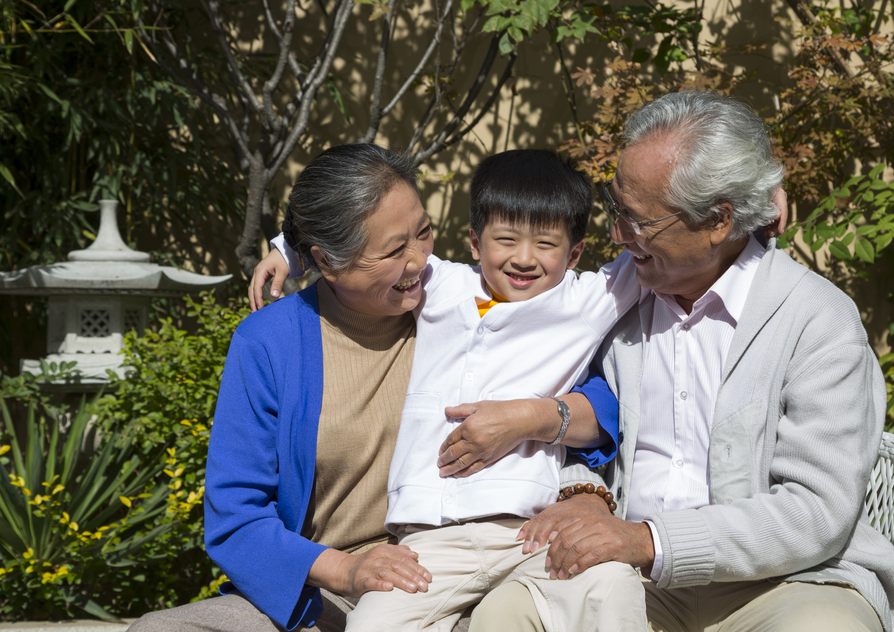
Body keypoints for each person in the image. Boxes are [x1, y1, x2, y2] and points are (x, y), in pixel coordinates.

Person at [129, 145, 611, 632]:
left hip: (444, 578)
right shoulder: (270, 342)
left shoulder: (458, 306)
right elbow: (237, 518)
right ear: (327, 262)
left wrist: (536, 421)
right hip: (321, 589)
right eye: (393, 250)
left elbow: (602, 405)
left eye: (423, 233)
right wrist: (346, 569)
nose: (419, 260)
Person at [504, 90, 894, 632]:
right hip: (626, 575)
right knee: (509, 614)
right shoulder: (614, 302)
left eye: (639, 222)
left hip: (789, 583)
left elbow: (816, 511)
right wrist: (586, 493)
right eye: (617, 210)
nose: (619, 237)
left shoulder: (816, 320)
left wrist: (650, 540)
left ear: (719, 220)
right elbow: (577, 416)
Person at [266, 150, 648, 632]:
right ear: (474, 242)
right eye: (505, 239)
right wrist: (291, 249)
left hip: (528, 531)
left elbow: (653, 245)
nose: (524, 259)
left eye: (546, 244)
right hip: (429, 542)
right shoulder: (439, 284)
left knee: (608, 582)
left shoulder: (588, 300)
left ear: (574, 254)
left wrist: (750, 218)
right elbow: (359, 249)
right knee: (372, 626)